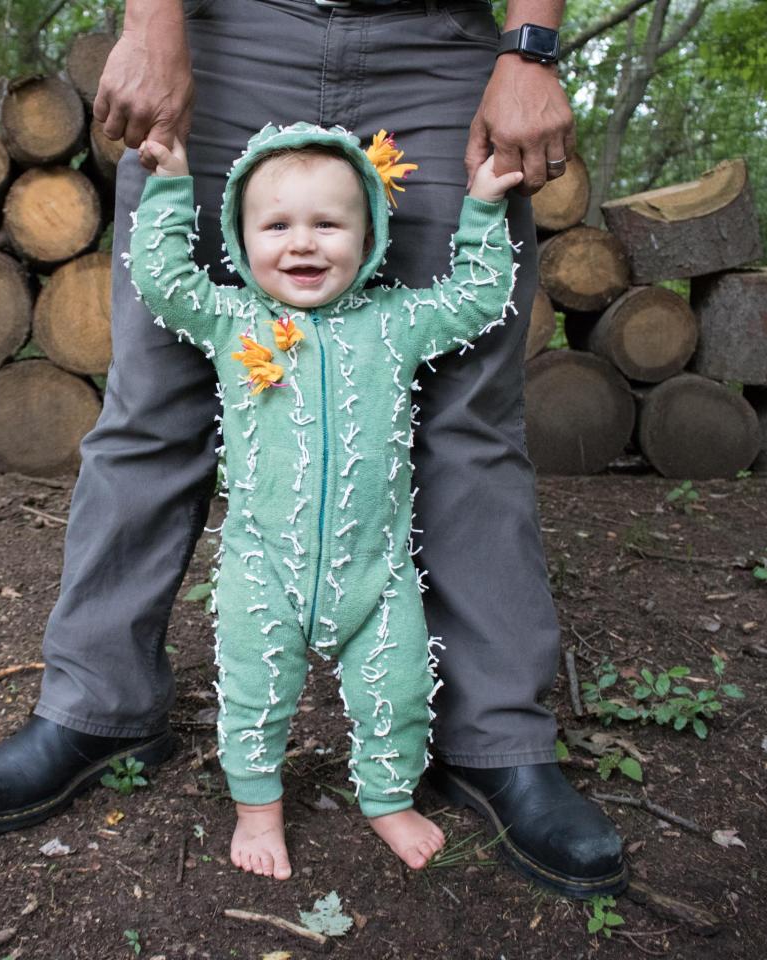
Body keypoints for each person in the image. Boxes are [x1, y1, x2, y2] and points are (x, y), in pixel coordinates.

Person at [0, 0, 627, 898]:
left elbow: (471, 304)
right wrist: (150, 25)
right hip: (226, 32)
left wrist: (530, 47)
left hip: (437, 45)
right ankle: (99, 705)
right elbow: (169, 285)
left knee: (469, 415)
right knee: (152, 400)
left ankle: (496, 738)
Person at [129, 121, 522, 879]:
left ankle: (387, 796)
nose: (302, 244)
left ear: (369, 234)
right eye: (276, 225)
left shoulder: (393, 324)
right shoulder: (232, 319)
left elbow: (477, 298)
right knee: (254, 690)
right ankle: (257, 809)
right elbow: (165, 282)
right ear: (241, 238)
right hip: (260, 568)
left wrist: (481, 210)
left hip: (375, 571)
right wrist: (171, 185)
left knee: (398, 689)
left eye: (328, 224)